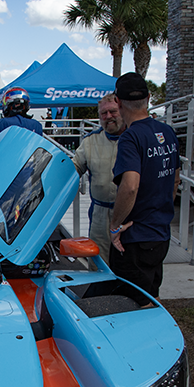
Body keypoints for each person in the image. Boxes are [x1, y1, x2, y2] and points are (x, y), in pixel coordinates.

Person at [109, 72, 180, 307]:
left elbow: (129, 187)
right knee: (151, 293)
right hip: (160, 233)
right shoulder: (167, 132)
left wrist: (115, 226)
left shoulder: (131, 137)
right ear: (148, 98)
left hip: (136, 238)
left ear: (118, 102)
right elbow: (175, 179)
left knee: (133, 303)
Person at [71, 93, 127, 264]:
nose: (108, 117)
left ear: (122, 111)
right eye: (103, 113)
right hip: (100, 215)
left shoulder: (135, 138)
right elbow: (73, 169)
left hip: (129, 213)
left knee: (128, 265)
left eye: (112, 111)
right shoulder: (90, 141)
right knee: (98, 265)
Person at [0, 87, 44, 152]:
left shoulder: (2, 123)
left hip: (7, 162)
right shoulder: (37, 125)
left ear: (8, 105)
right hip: (29, 163)